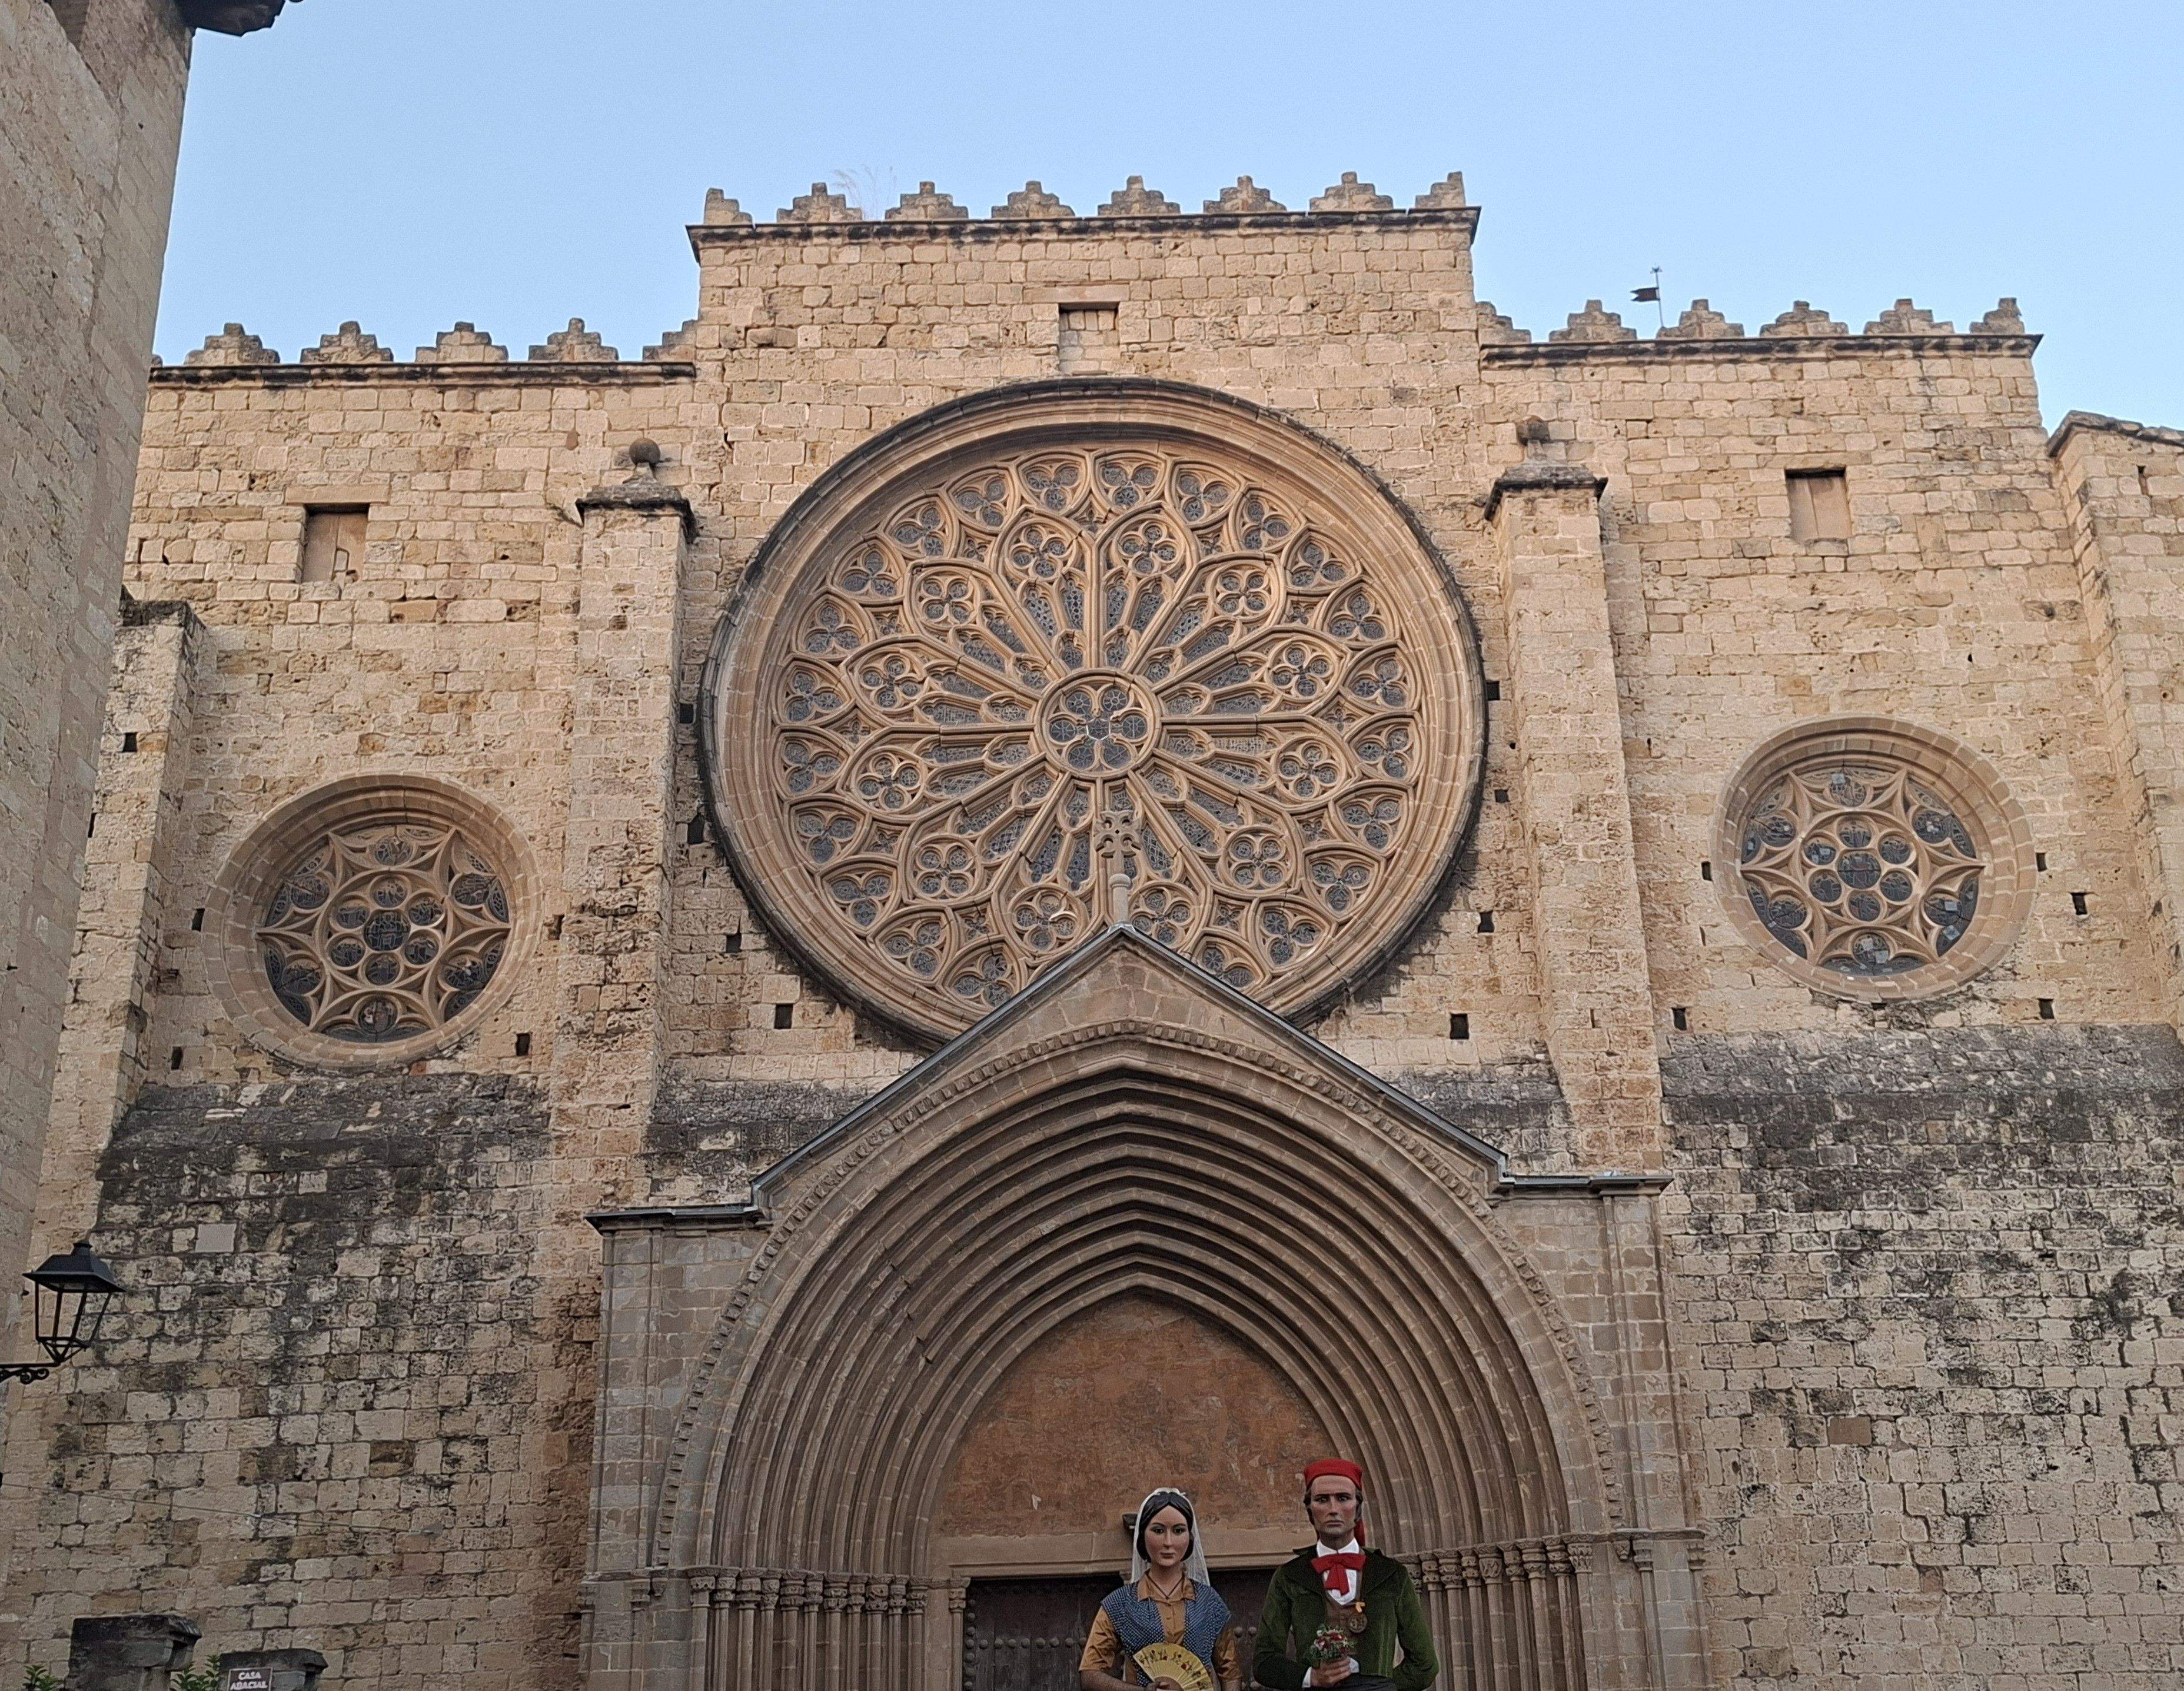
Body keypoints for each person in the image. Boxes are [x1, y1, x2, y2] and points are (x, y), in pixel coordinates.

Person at [1253, 1458, 1439, 1690]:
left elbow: (1425, 1664)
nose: (1333, 1510)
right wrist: (1312, 1677)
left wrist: (1383, 1688)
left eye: (1343, 1498)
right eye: (1322, 1500)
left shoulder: (1391, 1574)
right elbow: (1264, 1661)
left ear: (1358, 1508)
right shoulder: (1290, 1576)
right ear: (1310, 1510)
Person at [1078, 1487, 1244, 1691]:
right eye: (1158, 1531)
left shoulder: (1209, 1602)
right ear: (1142, 1536)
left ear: (1190, 1538)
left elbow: (1231, 1672)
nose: (1168, 1542)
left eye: (1178, 1531)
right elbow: (1090, 1674)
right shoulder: (1119, 1604)